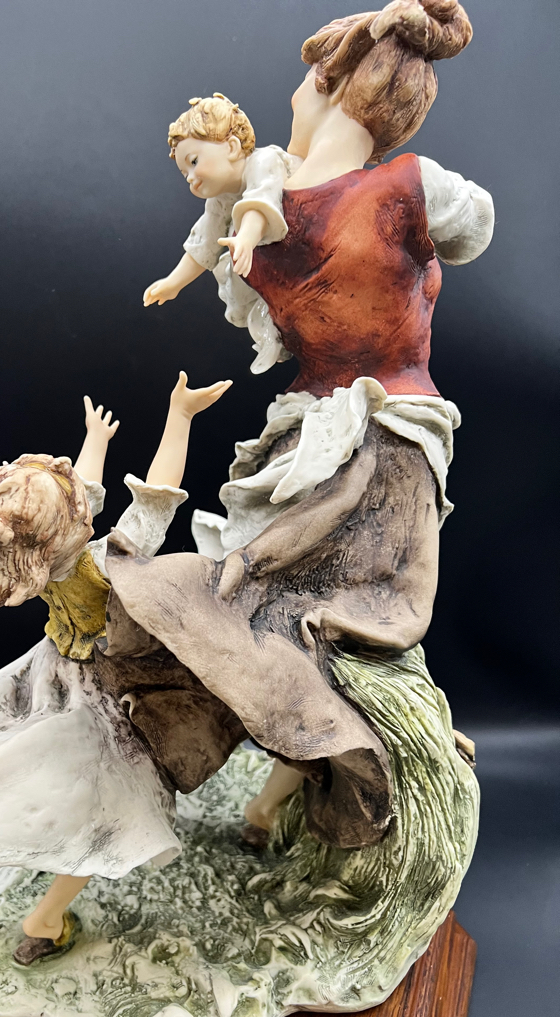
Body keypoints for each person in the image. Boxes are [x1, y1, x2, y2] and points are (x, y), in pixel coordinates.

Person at [109, 0, 493, 846]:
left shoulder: (392, 187)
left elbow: (469, 225)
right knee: (268, 611)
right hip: (314, 435)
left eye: (299, 89)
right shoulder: (290, 190)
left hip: (379, 445)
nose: (287, 103)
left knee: (300, 614)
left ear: (329, 89)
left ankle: (331, 772)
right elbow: (471, 227)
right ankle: (241, 773)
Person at [0, 372, 231, 964]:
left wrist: (95, 440)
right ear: (71, 528)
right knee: (107, 814)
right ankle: (44, 919)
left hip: (46, 670)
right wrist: (179, 417)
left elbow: (82, 496)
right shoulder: (103, 561)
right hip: (98, 694)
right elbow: (157, 496)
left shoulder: (43, 563)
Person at [143, 94, 298, 373]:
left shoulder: (264, 161)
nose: (190, 178)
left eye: (193, 162)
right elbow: (204, 243)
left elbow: (261, 203)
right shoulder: (220, 199)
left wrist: (246, 238)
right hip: (276, 264)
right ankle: (273, 332)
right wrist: (173, 283)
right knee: (236, 279)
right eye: (184, 174)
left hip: (302, 243)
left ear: (232, 146)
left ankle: (277, 331)